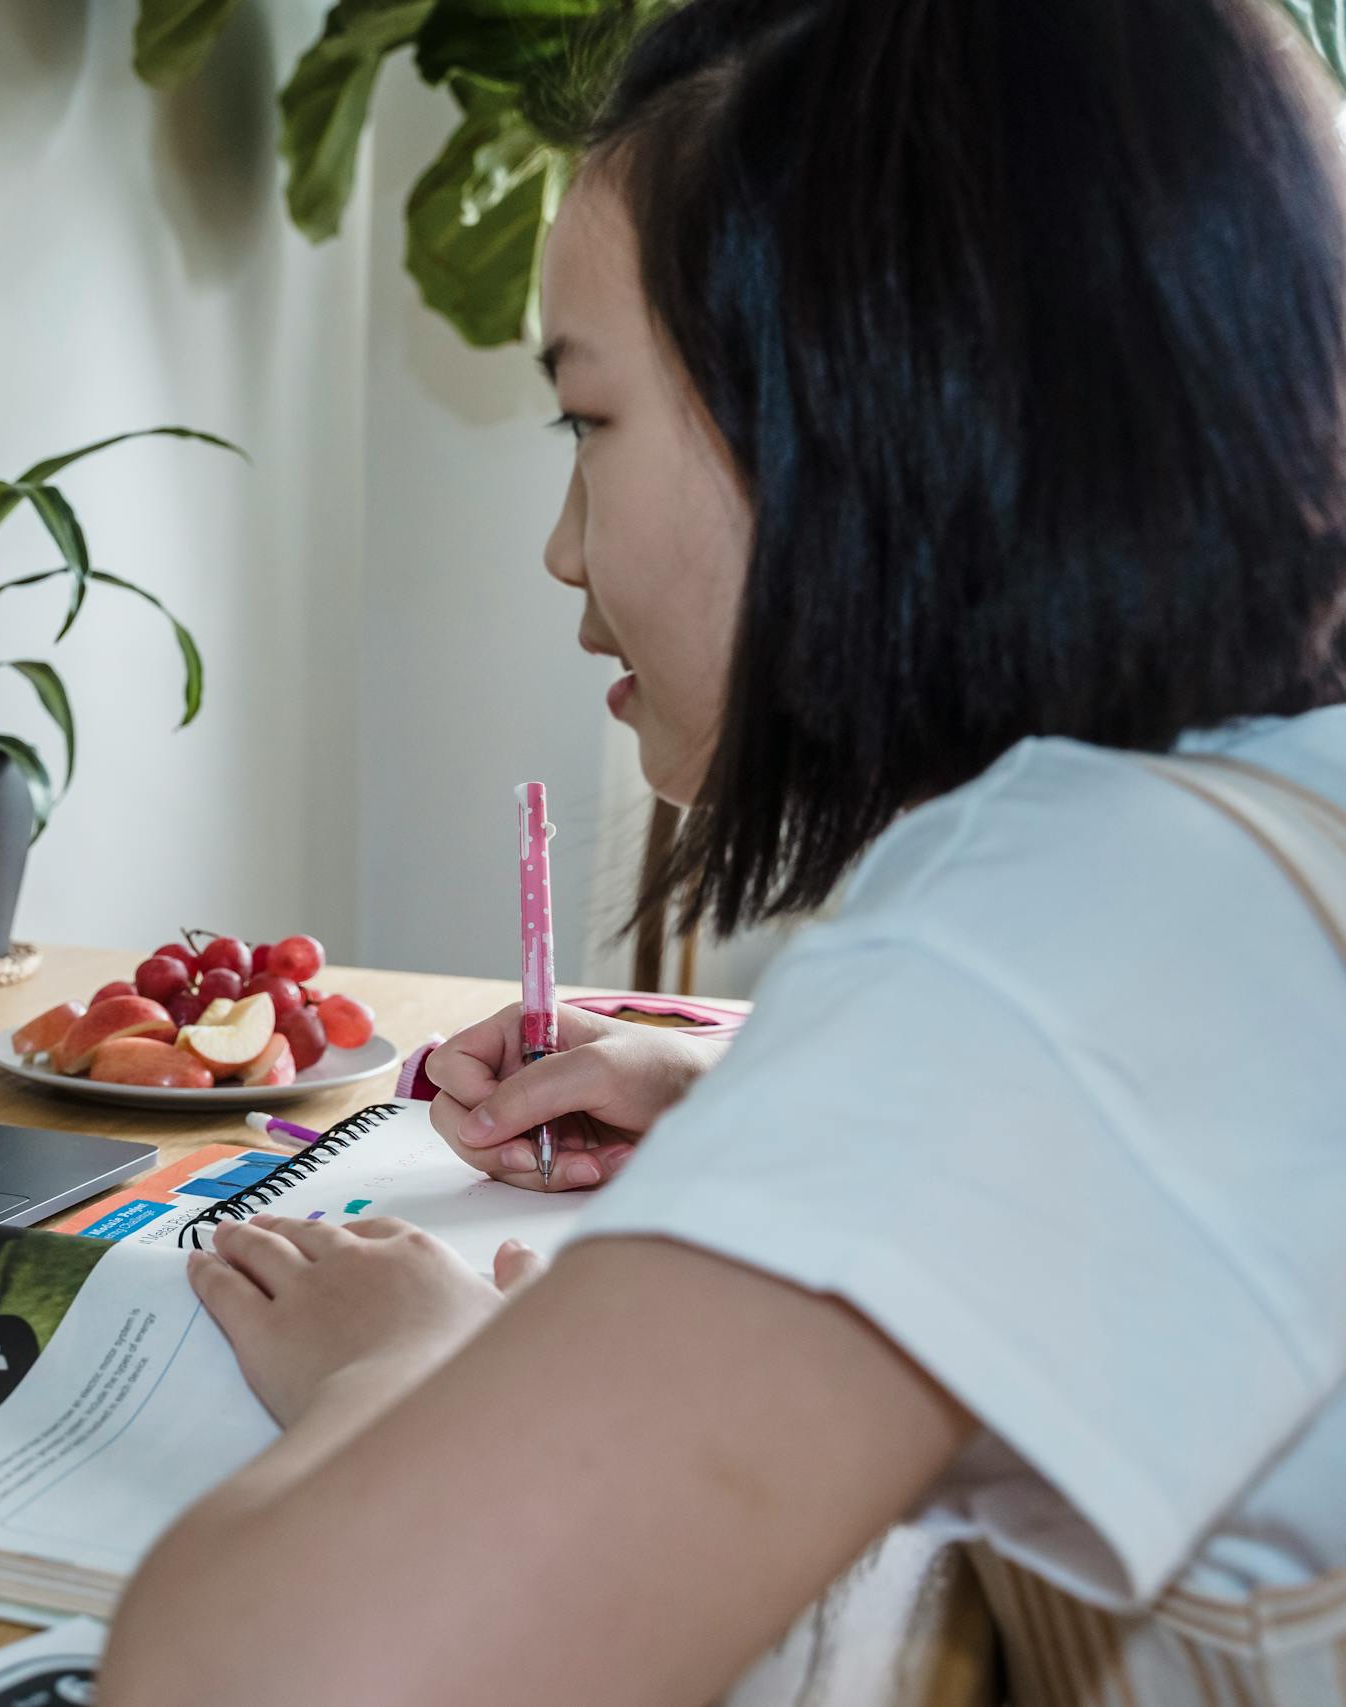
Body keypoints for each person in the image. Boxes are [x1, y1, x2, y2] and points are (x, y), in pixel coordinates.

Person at [103, 0, 1346, 1701]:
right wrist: (762, 1124)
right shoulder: (1255, 838)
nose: (561, 551)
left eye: (586, 424)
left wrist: (408, 1363)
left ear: (871, 412)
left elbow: (253, 1682)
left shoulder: (1106, 909)